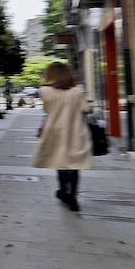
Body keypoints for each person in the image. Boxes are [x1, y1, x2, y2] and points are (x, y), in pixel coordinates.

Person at [33, 60, 91, 211]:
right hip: (75, 131)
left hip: (55, 131)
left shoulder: (45, 91)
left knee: (60, 162)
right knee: (74, 164)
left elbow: (47, 110)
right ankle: (72, 195)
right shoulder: (77, 91)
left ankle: (63, 190)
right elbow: (86, 108)